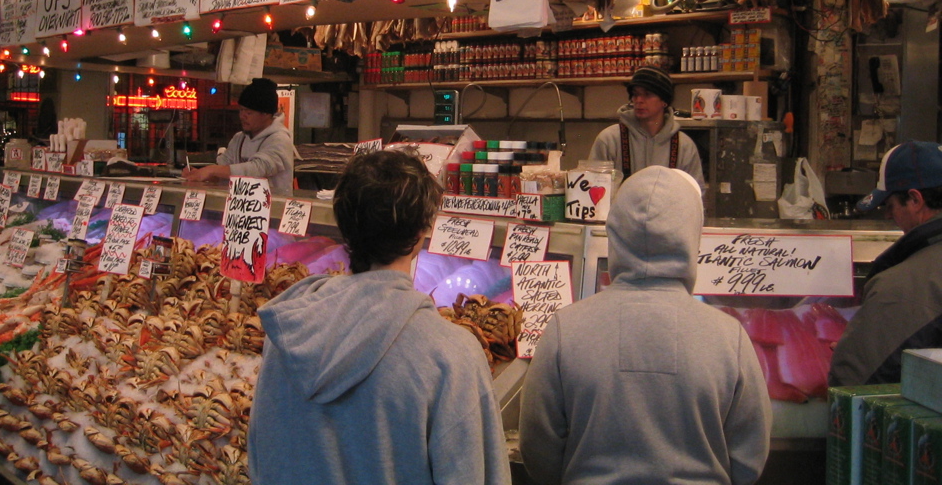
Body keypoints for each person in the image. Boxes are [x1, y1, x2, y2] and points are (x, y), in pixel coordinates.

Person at [248, 149, 511, 485]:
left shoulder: (286, 331)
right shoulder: (451, 355)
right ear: (422, 232)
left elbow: (262, 456)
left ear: (343, 225)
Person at [520, 166, 771, 485]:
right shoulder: (728, 336)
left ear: (615, 232)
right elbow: (749, 457)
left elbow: (538, 448)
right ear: (692, 235)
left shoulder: (564, 329)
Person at [829, 141, 942, 386]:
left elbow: (853, 382)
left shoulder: (906, 284)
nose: (888, 216)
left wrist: (857, 350)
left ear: (915, 199)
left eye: (890, 206)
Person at [588, 65, 705, 188]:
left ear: (664, 101)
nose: (639, 100)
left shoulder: (684, 146)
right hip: (620, 208)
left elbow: (695, 194)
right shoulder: (609, 140)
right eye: (635, 94)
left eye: (647, 94)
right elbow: (592, 188)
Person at [182, 78, 294, 195]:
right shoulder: (239, 139)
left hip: (273, 209)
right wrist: (200, 174)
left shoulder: (279, 139)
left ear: (266, 114)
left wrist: (212, 170)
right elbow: (223, 171)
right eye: (241, 110)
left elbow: (258, 169)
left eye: (249, 112)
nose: (242, 116)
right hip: (239, 209)